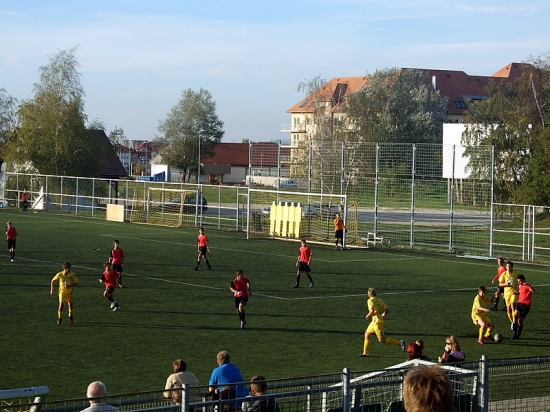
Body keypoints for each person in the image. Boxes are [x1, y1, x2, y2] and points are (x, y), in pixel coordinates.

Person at [357, 288, 405, 357]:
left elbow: (371, 311)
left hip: (377, 322)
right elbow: (387, 310)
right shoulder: (380, 300)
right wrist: (382, 315)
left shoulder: (370, 300)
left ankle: (400, 343)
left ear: (369, 294)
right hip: (374, 321)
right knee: (367, 334)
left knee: (381, 340)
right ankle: (365, 353)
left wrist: (367, 316)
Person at [512, 274, 536, 339]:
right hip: (519, 303)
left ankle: (518, 334)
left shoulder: (527, 286)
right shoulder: (520, 286)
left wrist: (529, 285)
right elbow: (521, 292)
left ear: (523, 280)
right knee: (515, 316)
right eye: (518, 281)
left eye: (520, 281)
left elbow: (534, 291)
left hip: (526, 305)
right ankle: (514, 334)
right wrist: (516, 293)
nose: (519, 282)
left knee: (520, 321)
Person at [499, 260, 520, 328]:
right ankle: (512, 322)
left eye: (510, 266)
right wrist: (505, 284)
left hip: (514, 292)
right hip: (507, 293)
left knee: (513, 305)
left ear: (512, 267)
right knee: (508, 309)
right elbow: (500, 284)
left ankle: (514, 322)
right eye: (507, 266)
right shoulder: (504, 274)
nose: (508, 268)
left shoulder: (516, 274)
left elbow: (520, 281)